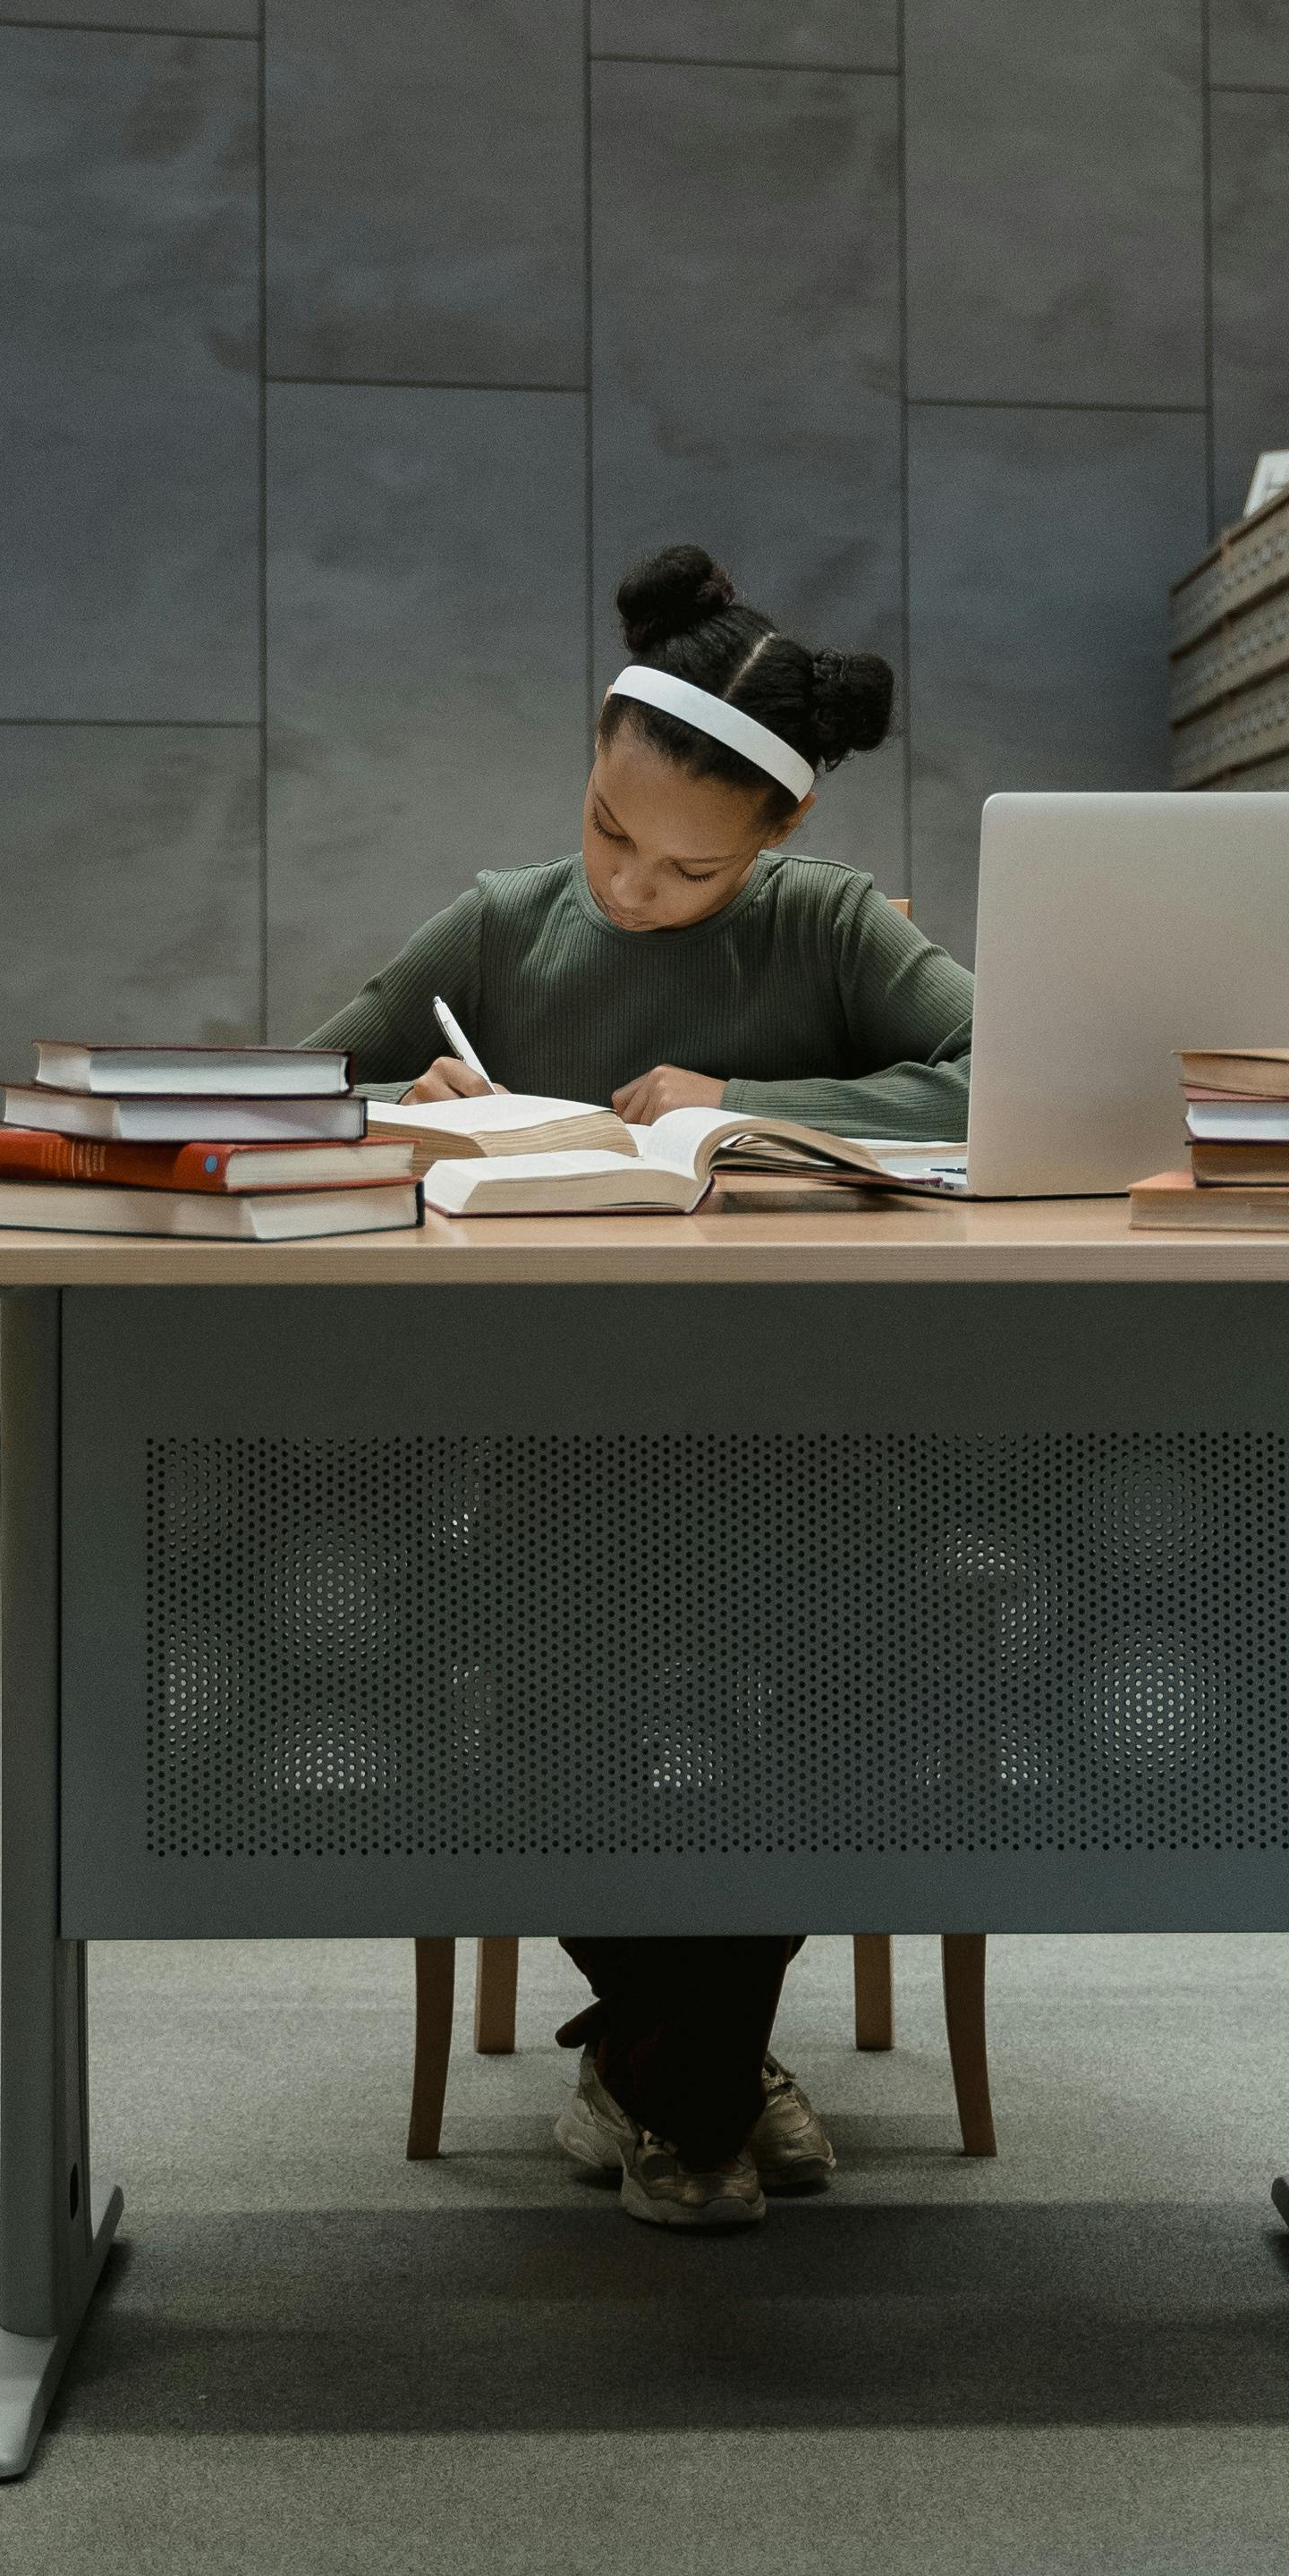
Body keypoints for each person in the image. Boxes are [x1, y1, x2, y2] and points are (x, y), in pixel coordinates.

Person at [315, 544, 974, 2239]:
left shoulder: (828, 926)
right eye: (611, 829)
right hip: (549, 1451)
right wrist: (417, 1102)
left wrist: (745, 1097)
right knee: (548, 1688)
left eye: (688, 870)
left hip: (813, 1452)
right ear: (593, 761)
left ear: (780, 839)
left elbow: (1008, 1071)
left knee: (853, 1673)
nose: (629, 886)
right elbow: (312, 1082)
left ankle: (656, 2078)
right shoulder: (502, 918)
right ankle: (711, 2088)